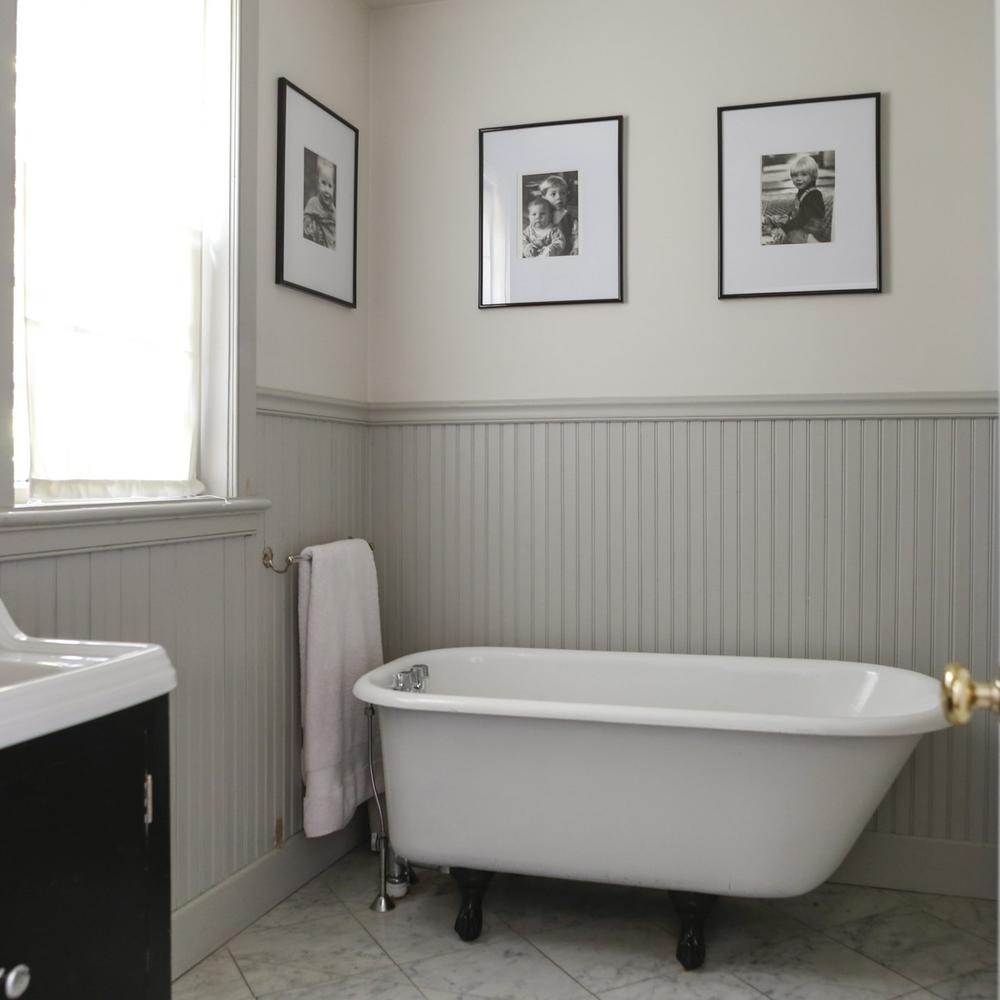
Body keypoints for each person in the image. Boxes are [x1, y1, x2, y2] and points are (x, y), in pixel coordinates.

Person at [764, 155, 827, 244]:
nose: (798, 178)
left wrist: (785, 228)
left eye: (804, 174)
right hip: (801, 224)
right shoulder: (802, 191)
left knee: (791, 235)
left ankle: (810, 240)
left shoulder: (814, 195)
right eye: (795, 175)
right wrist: (788, 217)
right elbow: (796, 212)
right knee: (783, 218)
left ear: (812, 176)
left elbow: (802, 218)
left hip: (811, 230)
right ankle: (770, 221)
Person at [539, 174, 578, 255]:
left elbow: (576, 235)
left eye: (563, 193)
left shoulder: (569, 217)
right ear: (544, 197)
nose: (559, 197)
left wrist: (576, 247)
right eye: (553, 194)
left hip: (565, 252)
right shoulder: (540, 215)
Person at [303, 157, 336, 248]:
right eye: (323, 183)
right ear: (317, 183)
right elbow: (306, 217)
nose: (327, 190)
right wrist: (309, 226)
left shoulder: (333, 209)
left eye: (330, 186)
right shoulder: (313, 202)